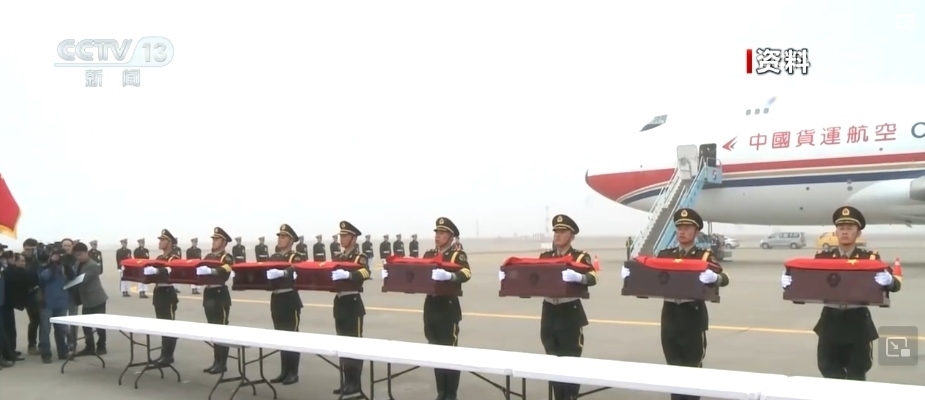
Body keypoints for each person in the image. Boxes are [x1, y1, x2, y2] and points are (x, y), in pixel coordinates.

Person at [781, 206, 901, 381]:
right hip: (830, 321)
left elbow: (895, 284)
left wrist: (889, 281)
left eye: (850, 228)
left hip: (858, 322)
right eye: (841, 228)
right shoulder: (822, 258)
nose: (845, 232)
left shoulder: (870, 259)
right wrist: (790, 283)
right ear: (836, 232)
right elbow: (810, 283)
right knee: (828, 370)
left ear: (858, 233)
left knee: (857, 373)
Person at [622, 208, 729, 400]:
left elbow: (724, 278)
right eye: (679, 228)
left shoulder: (704, 256)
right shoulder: (665, 254)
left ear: (696, 232)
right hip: (670, 317)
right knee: (673, 370)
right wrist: (633, 275)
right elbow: (651, 276)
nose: (682, 232)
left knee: (692, 370)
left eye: (687, 228)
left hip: (692, 317)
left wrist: (715, 278)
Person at [383, 217, 470, 400]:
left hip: (447, 308)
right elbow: (417, 272)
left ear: (451, 236)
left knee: (449, 352)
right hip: (431, 307)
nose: (437, 236)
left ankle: (451, 394)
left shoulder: (457, 255)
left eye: (442, 233)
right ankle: (441, 392)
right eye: (436, 232)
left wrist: (450, 276)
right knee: (435, 351)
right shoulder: (429, 254)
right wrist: (394, 273)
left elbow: (466, 272)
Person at [531, 214, 598, 400]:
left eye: (562, 231)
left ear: (572, 236)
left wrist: (579, 277)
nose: (558, 235)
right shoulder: (545, 257)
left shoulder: (580, 257)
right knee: (553, 363)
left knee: (570, 363)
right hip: (549, 312)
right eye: (556, 231)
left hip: (569, 314)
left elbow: (593, 277)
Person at [329, 221, 370, 398]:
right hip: (340, 303)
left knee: (354, 345)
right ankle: (346, 382)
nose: (342, 238)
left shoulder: (359, 257)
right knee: (343, 345)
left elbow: (366, 272)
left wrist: (349, 274)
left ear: (353, 239)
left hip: (353, 303)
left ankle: (355, 383)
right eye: (341, 235)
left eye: (345, 235)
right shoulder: (338, 256)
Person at [265, 223, 304, 385]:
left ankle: (293, 372)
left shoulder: (295, 256)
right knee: (281, 337)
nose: (280, 239)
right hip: (276, 299)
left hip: (289, 299)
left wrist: (283, 272)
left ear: (291, 240)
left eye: (283, 236)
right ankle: (284, 371)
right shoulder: (274, 257)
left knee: (291, 337)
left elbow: (297, 269)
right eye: (279, 236)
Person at [196, 227, 235, 374]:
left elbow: (226, 269)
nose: (214, 241)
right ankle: (216, 361)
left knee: (221, 330)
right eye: (213, 239)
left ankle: (222, 363)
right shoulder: (209, 256)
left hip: (220, 295)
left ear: (224, 242)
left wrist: (211, 271)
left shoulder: (226, 257)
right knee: (213, 330)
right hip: (209, 294)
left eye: (217, 239)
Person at [147, 229, 181, 367]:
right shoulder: (160, 258)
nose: (160, 242)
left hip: (167, 292)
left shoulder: (174, 258)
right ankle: (163, 354)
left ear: (170, 242)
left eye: (162, 240)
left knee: (169, 326)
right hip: (159, 292)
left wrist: (157, 271)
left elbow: (171, 271)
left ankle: (168, 356)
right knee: (162, 325)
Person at [72, 242, 109, 356]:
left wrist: (69, 282)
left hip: (97, 299)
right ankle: (89, 347)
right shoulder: (77, 263)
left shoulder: (92, 265)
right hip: (86, 300)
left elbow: (82, 279)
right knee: (86, 325)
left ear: (86, 253)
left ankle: (102, 346)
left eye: (80, 254)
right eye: (76, 255)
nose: (78, 257)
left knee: (100, 325)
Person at [37, 246, 72, 363]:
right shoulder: (44, 267)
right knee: (45, 329)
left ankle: (63, 352)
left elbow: (73, 277)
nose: (58, 257)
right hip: (47, 302)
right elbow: (44, 277)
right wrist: (52, 264)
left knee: (61, 329)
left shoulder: (64, 267)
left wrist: (66, 264)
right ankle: (46, 354)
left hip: (61, 301)